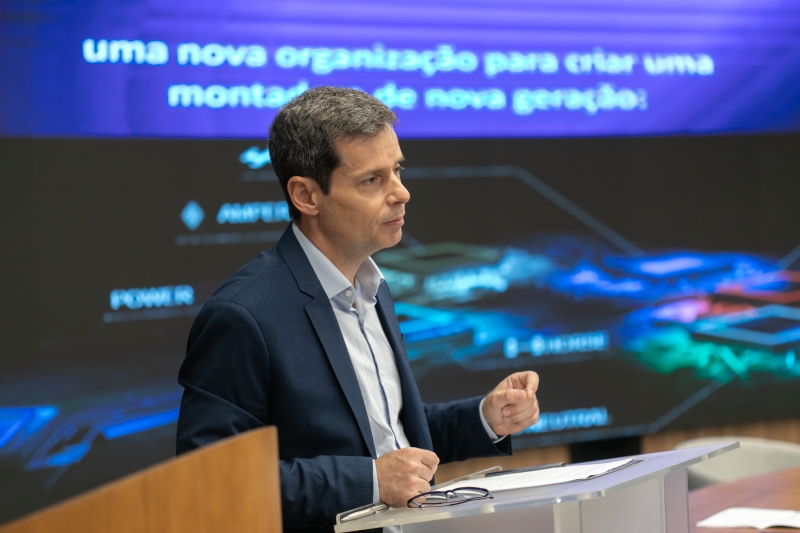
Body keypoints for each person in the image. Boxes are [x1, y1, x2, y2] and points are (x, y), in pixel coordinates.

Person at [176, 86, 540, 532]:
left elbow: (387, 433)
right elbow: (212, 482)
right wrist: (369, 481)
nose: (401, 193)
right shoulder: (242, 316)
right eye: (372, 180)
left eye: (397, 171)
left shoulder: (372, 287)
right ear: (306, 196)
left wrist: (484, 418)